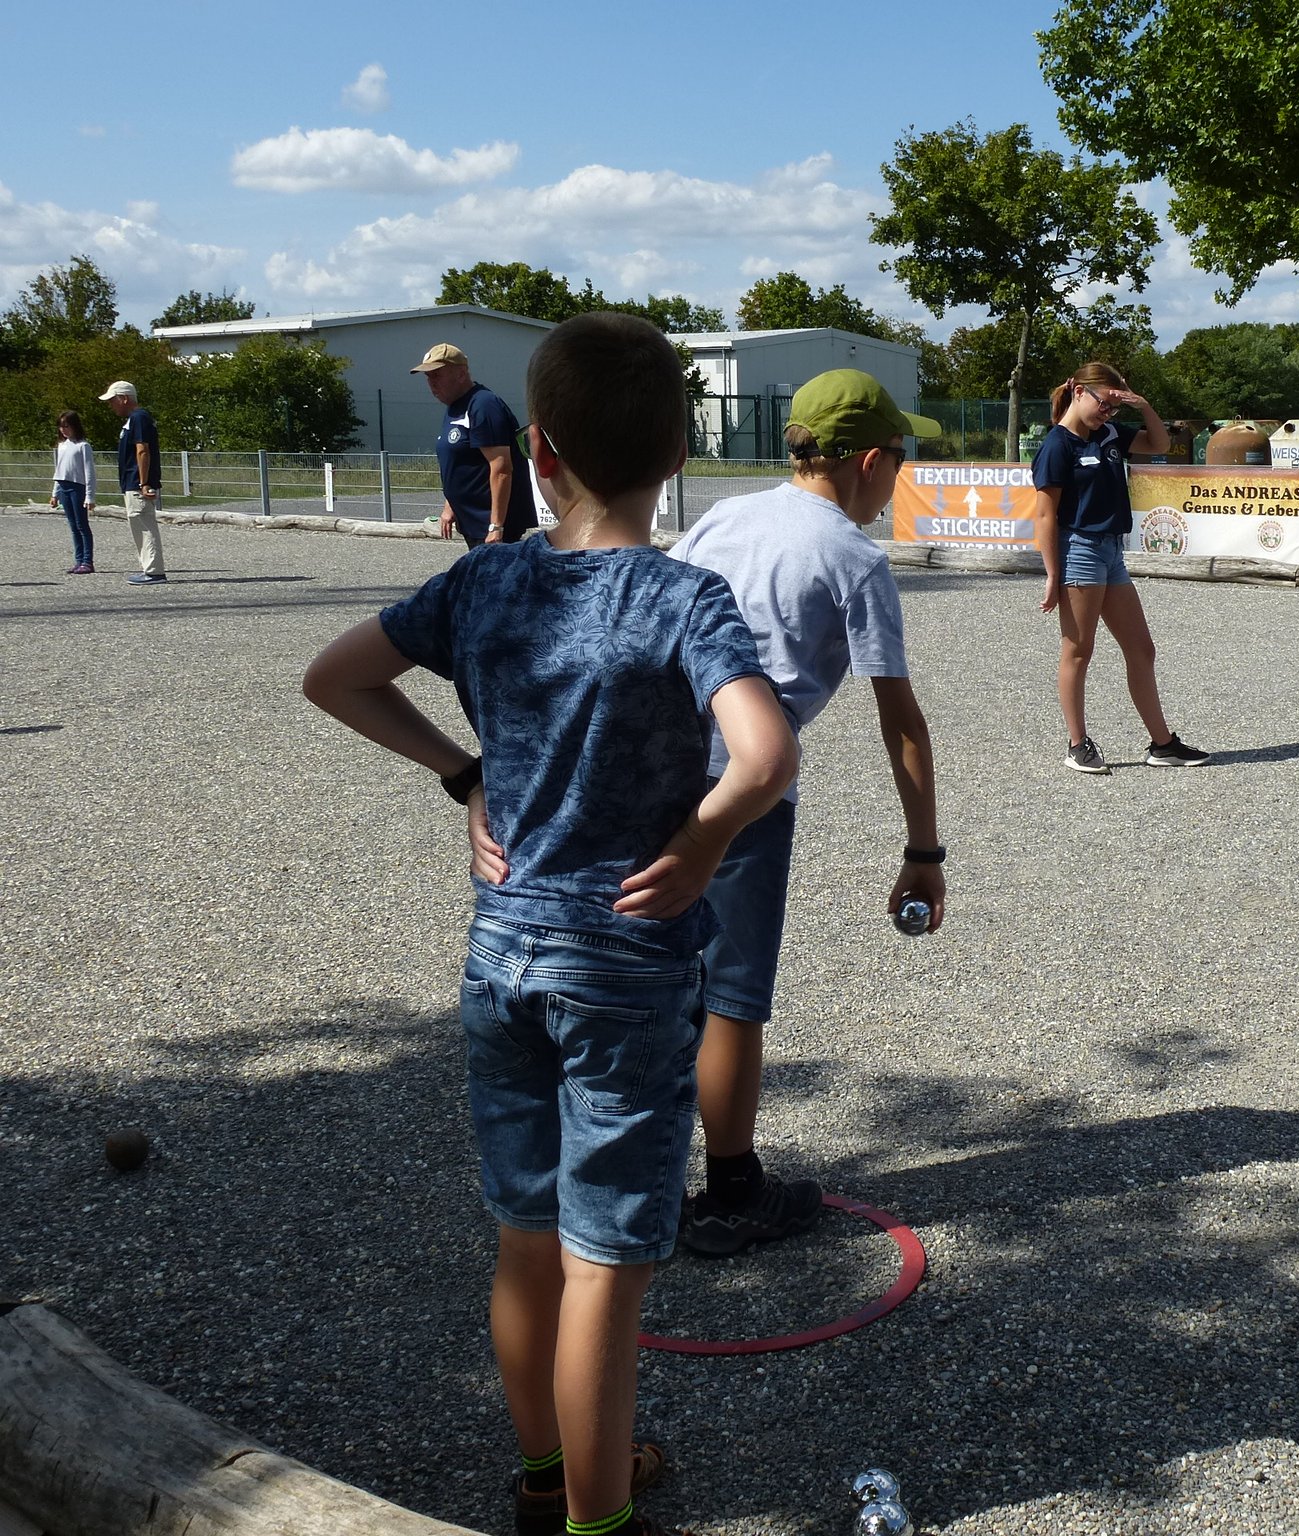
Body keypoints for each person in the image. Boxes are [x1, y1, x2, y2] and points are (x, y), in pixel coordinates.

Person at [305, 312, 798, 1536]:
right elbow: (765, 755)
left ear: (538, 450)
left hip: (502, 951)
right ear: (677, 454)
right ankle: (596, 1520)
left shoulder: (484, 580)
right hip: (624, 968)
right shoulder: (681, 598)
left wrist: (463, 774)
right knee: (603, 1273)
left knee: (526, 1245)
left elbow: (334, 676)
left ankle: (541, 1481)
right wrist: (701, 844)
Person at [667, 368, 947, 1257]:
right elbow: (900, 720)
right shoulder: (854, 557)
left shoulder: (724, 517)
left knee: (654, 975)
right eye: (899, 459)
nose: (898, 477)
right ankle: (732, 1193)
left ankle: (623, 1173)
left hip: (653, 764)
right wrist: (924, 852)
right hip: (743, 785)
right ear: (868, 461)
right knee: (731, 995)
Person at [1030, 362, 1207, 774]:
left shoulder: (1109, 434)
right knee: (1078, 650)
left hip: (1112, 553)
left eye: (1115, 407)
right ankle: (1077, 745)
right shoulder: (1057, 445)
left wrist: (1142, 405)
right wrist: (1053, 573)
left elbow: (1159, 443)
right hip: (1080, 550)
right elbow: (1044, 515)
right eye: (1104, 404)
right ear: (1078, 392)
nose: (1108, 413)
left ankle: (1163, 745)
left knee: (1142, 649)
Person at [413, 341, 539, 548]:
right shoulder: (456, 407)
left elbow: (501, 468)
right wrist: (450, 505)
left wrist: (496, 526)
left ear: (461, 374)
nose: (431, 383)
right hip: (472, 522)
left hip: (490, 524)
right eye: (428, 377)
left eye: (437, 375)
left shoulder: (483, 405)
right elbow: (461, 460)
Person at [98, 381, 167, 584]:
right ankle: (149, 568)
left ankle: (154, 571)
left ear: (124, 398)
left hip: (138, 482)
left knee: (144, 524)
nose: (111, 405)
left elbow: (142, 450)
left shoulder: (138, 417)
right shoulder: (134, 419)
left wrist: (144, 483)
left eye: (113, 400)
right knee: (139, 525)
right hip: (133, 481)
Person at [49, 410, 96, 574]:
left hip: (77, 487)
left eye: (66, 426)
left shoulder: (83, 446)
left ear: (75, 426)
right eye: (61, 426)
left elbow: (89, 472)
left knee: (82, 525)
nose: (63, 430)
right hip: (63, 487)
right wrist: (55, 493)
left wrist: (90, 496)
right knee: (73, 526)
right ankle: (78, 560)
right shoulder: (61, 446)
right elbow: (59, 471)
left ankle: (87, 561)